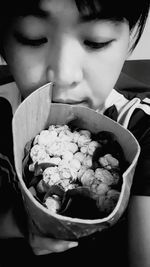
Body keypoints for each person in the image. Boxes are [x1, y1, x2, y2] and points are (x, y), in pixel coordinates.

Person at [0, 0, 150, 266]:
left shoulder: (140, 127)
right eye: (32, 36)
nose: (64, 74)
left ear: (129, 41)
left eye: (96, 40)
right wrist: (16, 223)